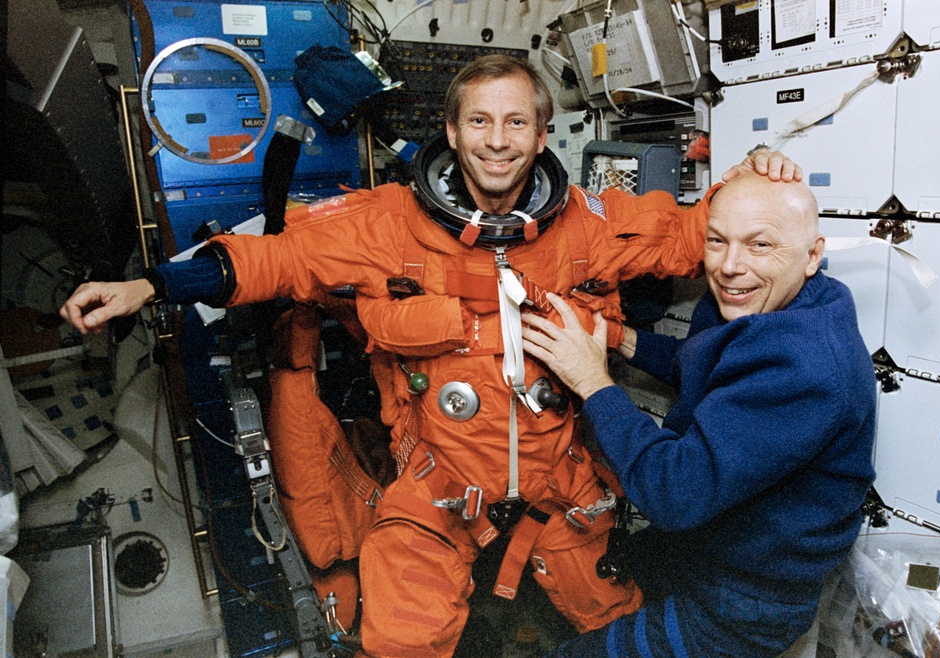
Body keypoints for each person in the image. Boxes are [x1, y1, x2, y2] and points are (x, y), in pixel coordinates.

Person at [61, 55, 801, 657]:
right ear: (451, 130)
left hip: (566, 478)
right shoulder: (386, 224)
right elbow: (274, 262)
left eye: (516, 122)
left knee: (614, 630)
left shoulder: (592, 224)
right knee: (400, 638)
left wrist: (758, 176)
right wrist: (148, 285)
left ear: (543, 136)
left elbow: (696, 232)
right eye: (479, 121)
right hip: (440, 480)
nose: (498, 140)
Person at [521, 174, 877, 657]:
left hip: (743, 599)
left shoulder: (805, 366)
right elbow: (699, 363)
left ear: (812, 255)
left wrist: (592, 382)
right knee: (584, 577)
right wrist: (615, 337)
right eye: (717, 241)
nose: (731, 266)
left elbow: (674, 491)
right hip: (707, 548)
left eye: (760, 244)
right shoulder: (773, 301)